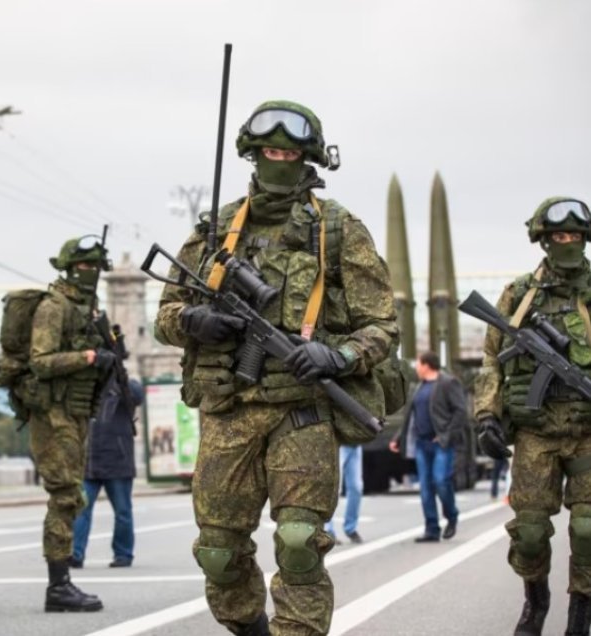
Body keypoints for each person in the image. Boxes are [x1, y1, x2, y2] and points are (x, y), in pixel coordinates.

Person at [154, 100, 398, 636]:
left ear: (307, 157)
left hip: (302, 413)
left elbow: (382, 324)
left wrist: (340, 355)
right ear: (252, 153)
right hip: (228, 412)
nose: (279, 160)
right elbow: (165, 315)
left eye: (289, 151)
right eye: (270, 150)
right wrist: (193, 321)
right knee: (218, 552)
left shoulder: (337, 230)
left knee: (298, 543)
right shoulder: (216, 230)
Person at [475, 197, 591, 636]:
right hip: (536, 433)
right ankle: (535, 601)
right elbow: (491, 359)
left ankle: (581, 616)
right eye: (559, 236)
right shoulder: (520, 295)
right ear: (544, 241)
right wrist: (488, 415)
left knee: (587, 530)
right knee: (529, 532)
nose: (568, 243)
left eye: (575, 236)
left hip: (587, 431)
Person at [28, 235, 115, 612]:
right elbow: (40, 361)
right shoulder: (54, 307)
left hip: (76, 413)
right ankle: (58, 586)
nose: (91, 274)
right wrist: (88, 356)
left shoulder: (89, 309)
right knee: (64, 496)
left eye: (96, 267)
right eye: (84, 267)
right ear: (67, 268)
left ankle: (62, 583)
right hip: (54, 414)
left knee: (72, 496)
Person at [390, 351, 465, 543]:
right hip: (422, 444)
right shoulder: (419, 387)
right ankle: (431, 529)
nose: (416, 368)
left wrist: (445, 436)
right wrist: (398, 438)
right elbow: (411, 417)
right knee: (425, 488)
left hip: (440, 443)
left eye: (418, 364)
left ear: (426, 365)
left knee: (441, 481)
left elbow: (460, 411)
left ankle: (452, 516)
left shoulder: (448, 383)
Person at [70, 377, 144, 568]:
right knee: (81, 510)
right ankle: (75, 554)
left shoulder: (123, 384)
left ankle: (123, 554)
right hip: (89, 461)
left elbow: (138, 395)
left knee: (123, 512)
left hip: (118, 461)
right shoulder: (86, 383)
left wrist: (118, 374)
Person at [324, 445, 364, 545]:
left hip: (355, 443)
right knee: (334, 487)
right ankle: (328, 530)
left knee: (356, 488)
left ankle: (350, 528)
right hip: (337, 443)